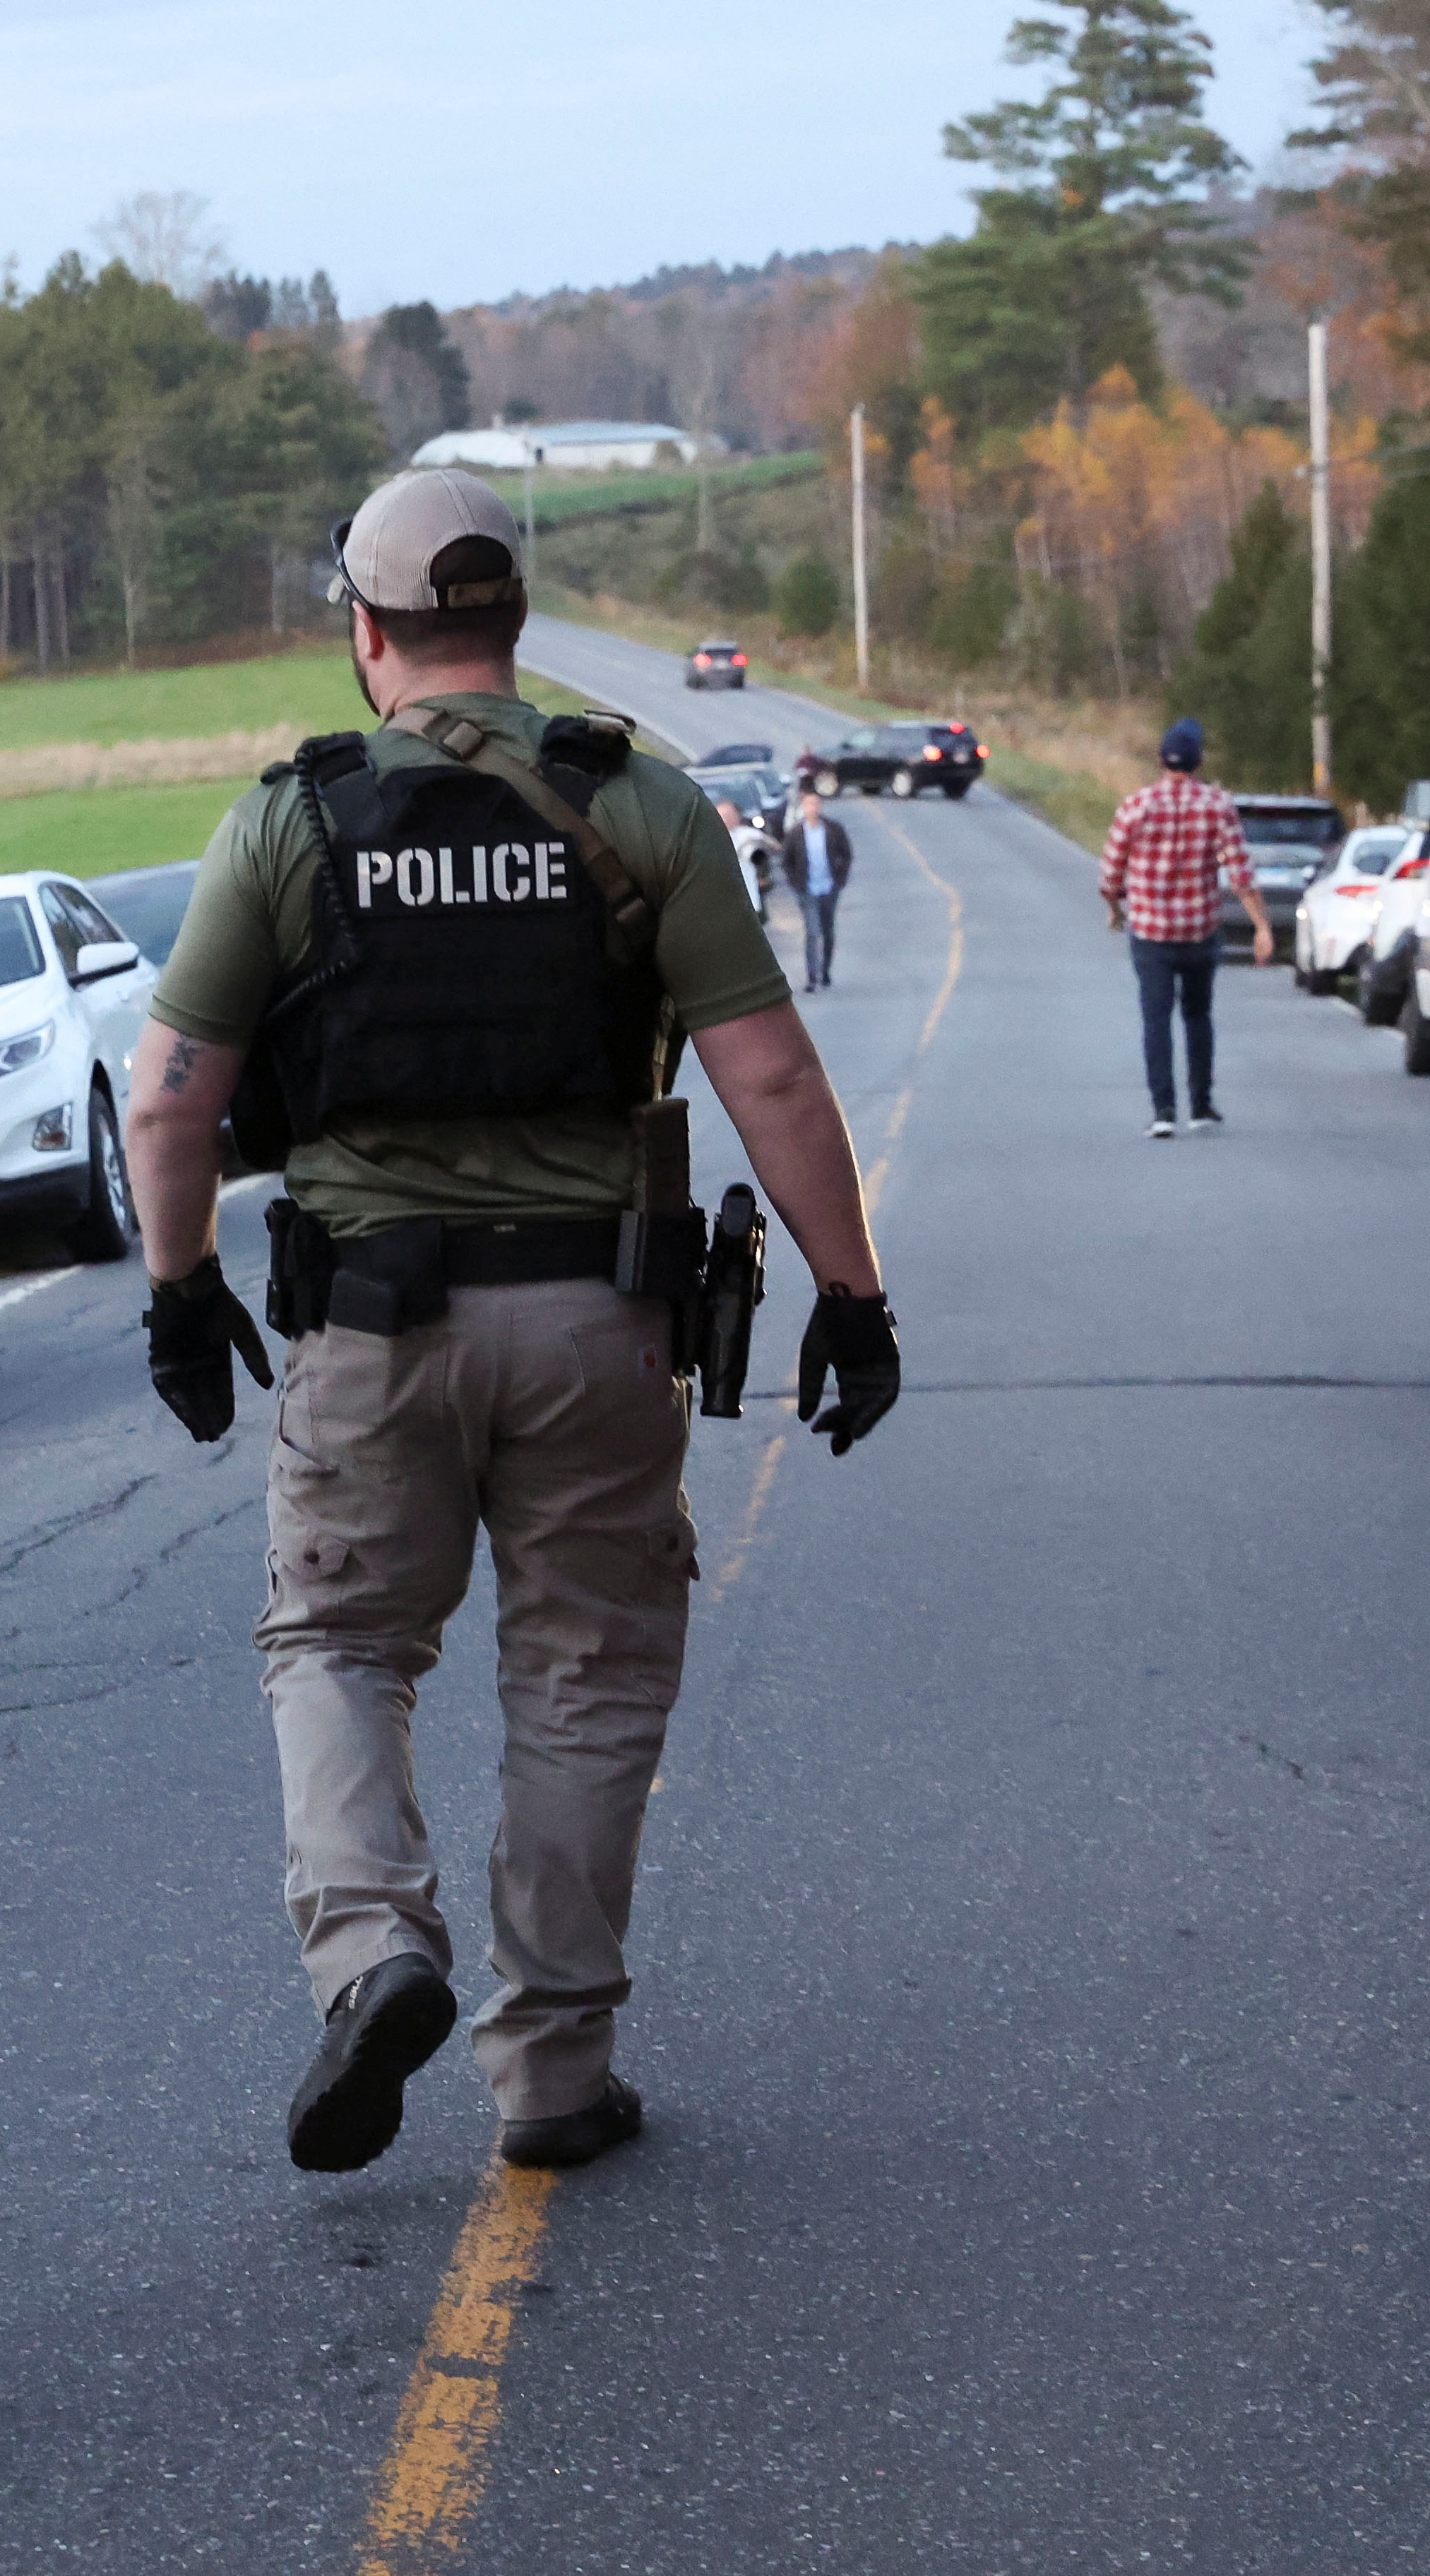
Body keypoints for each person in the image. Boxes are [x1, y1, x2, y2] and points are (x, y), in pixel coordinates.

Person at [121, 467, 902, 2180]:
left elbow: (171, 1101)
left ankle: (373, 1954)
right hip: (598, 1317)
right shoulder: (638, 805)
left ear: (366, 632)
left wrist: (179, 1293)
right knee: (586, 1674)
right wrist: (854, 1294)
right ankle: (551, 2069)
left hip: (371, 1325)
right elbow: (768, 1070)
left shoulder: (290, 822)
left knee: (336, 1643)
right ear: (513, 624)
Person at [1099, 717, 1270, 1139]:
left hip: (1151, 934)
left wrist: (1116, 910)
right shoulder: (1218, 806)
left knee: (1155, 1019)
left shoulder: (1136, 806)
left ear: (1161, 760)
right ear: (1199, 761)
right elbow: (1240, 874)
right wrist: (1261, 927)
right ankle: (1202, 1104)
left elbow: (1109, 875)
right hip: (1200, 932)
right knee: (1198, 1015)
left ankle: (1163, 1111)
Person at [780, 781, 852, 990]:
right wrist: (796, 884)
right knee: (812, 932)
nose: (813, 808)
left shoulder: (833, 829)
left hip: (829, 888)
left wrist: (839, 881)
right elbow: (787, 862)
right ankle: (812, 977)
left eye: (816, 804)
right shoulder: (795, 834)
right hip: (807, 889)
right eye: (809, 804)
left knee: (828, 930)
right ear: (803, 808)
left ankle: (825, 971)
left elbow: (846, 855)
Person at [715, 794, 777, 928]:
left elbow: (775, 848)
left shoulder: (747, 834)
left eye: (730, 815)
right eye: (723, 815)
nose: (727, 819)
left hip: (750, 897)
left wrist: (758, 842)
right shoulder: (711, 839)